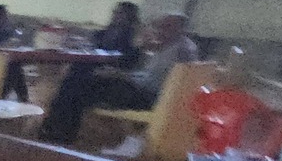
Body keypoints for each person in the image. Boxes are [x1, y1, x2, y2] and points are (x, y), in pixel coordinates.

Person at [38, 12, 199, 143]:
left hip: (147, 97)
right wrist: (120, 73)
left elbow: (151, 83)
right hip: (149, 93)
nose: (159, 30)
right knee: (80, 80)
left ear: (181, 29)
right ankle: (59, 131)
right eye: (158, 26)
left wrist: (121, 75)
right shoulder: (180, 46)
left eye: (166, 26)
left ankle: (56, 133)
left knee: (78, 85)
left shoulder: (177, 51)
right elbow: (150, 76)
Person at [94, 0, 142, 69]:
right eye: (115, 12)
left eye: (120, 13)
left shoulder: (132, 33)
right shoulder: (112, 29)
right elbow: (98, 39)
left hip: (118, 68)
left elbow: (128, 56)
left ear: (129, 16)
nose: (114, 15)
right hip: (103, 63)